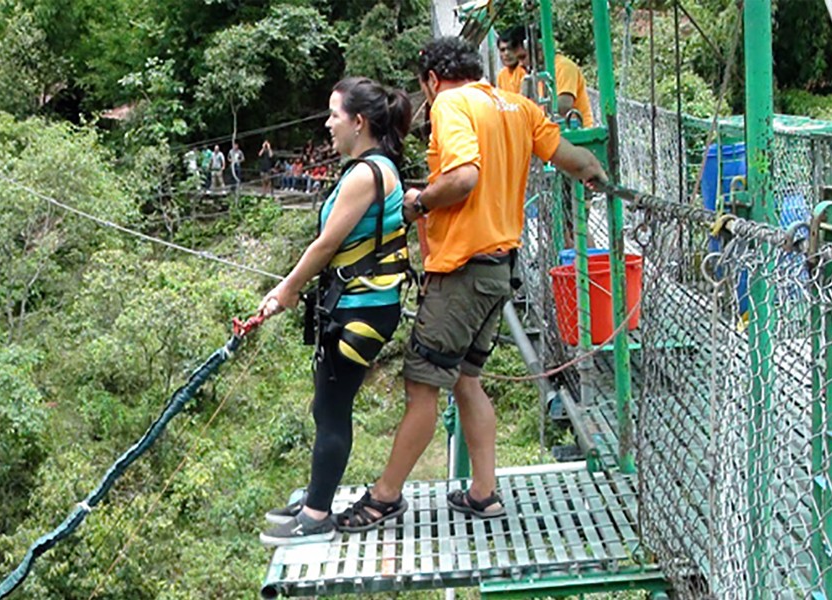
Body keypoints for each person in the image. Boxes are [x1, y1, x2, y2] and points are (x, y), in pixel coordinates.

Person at [337, 37, 606, 531]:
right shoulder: (519, 106)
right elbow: (575, 160)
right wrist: (600, 177)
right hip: (501, 269)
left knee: (422, 383)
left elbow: (463, 178)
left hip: (462, 269)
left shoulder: (452, 105)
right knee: (467, 379)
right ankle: (483, 493)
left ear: (432, 81)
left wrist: (419, 202)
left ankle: (384, 496)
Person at [255, 77, 414, 545]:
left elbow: (326, 245)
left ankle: (317, 515)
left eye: (334, 116)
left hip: (359, 308)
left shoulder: (365, 173)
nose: (327, 125)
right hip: (360, 304)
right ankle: (315, 501)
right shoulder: (374, 167)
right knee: (328, 405)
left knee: (331, 406)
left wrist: (285, 290)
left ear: (358, 122)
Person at [495, 26, 593, 128]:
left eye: (523, 57)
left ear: (538, 49)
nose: (520, 63)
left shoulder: (564, 67)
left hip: (574, 130)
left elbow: (564, 106)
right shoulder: (530, 71)